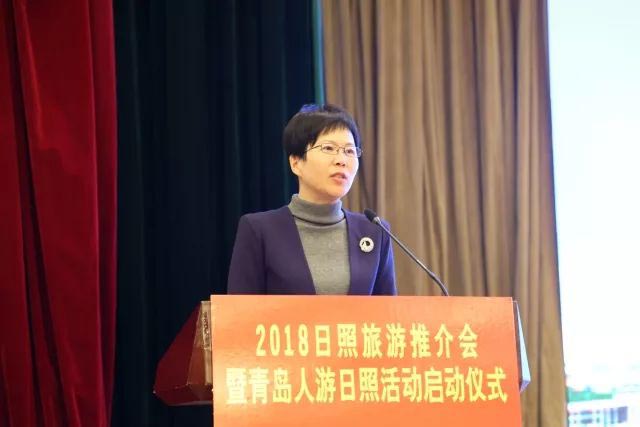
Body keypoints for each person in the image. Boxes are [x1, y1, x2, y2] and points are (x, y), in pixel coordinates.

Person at [227, 104, 396, 295]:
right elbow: (240, 310)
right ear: (296, 163)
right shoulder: (259, 230)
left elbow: (388, 311)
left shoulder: (375, 231)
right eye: (329, 148)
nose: (341, 160)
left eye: (349, 151)